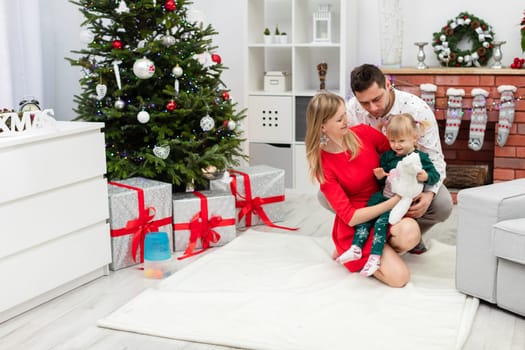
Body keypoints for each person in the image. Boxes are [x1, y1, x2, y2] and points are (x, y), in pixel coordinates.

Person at [318, 63, 453, 253]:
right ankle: (369, 233)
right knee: (324, 195)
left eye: (377, 99)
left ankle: (408, 235)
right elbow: (342, 148)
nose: (372, 108)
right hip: (372, 177)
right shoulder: (352, 110)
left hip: (410, 177)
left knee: (443, 204)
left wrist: (429, 194)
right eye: (364, 103)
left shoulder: (417, 110)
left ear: (388, 86)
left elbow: (435, 159)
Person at [305, 91, 421, 287]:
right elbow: (350, 217)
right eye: (339, 119)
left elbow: (397, 153)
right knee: (400, 278)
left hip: (382, 206)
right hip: (359, 223)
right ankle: (358, 251)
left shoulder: (364, 134)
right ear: (323, 126)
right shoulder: (324, 165)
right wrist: (395, 201)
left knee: (411, 232)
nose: (346, 121)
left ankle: (380, 248)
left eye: (345, 115)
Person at [336, 113, 440, 277]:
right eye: (392, 141)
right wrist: (380, 176)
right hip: (383, 195)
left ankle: (375, 256)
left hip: (398, 201)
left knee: (381, 224)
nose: (396, 145)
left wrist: (426, 177)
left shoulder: (420, 158)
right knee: (366, 219)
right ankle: (356, 247)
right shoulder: (387, 156)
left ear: (414, 138)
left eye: (401, 141)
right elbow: (384, 179)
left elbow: (435, 175)